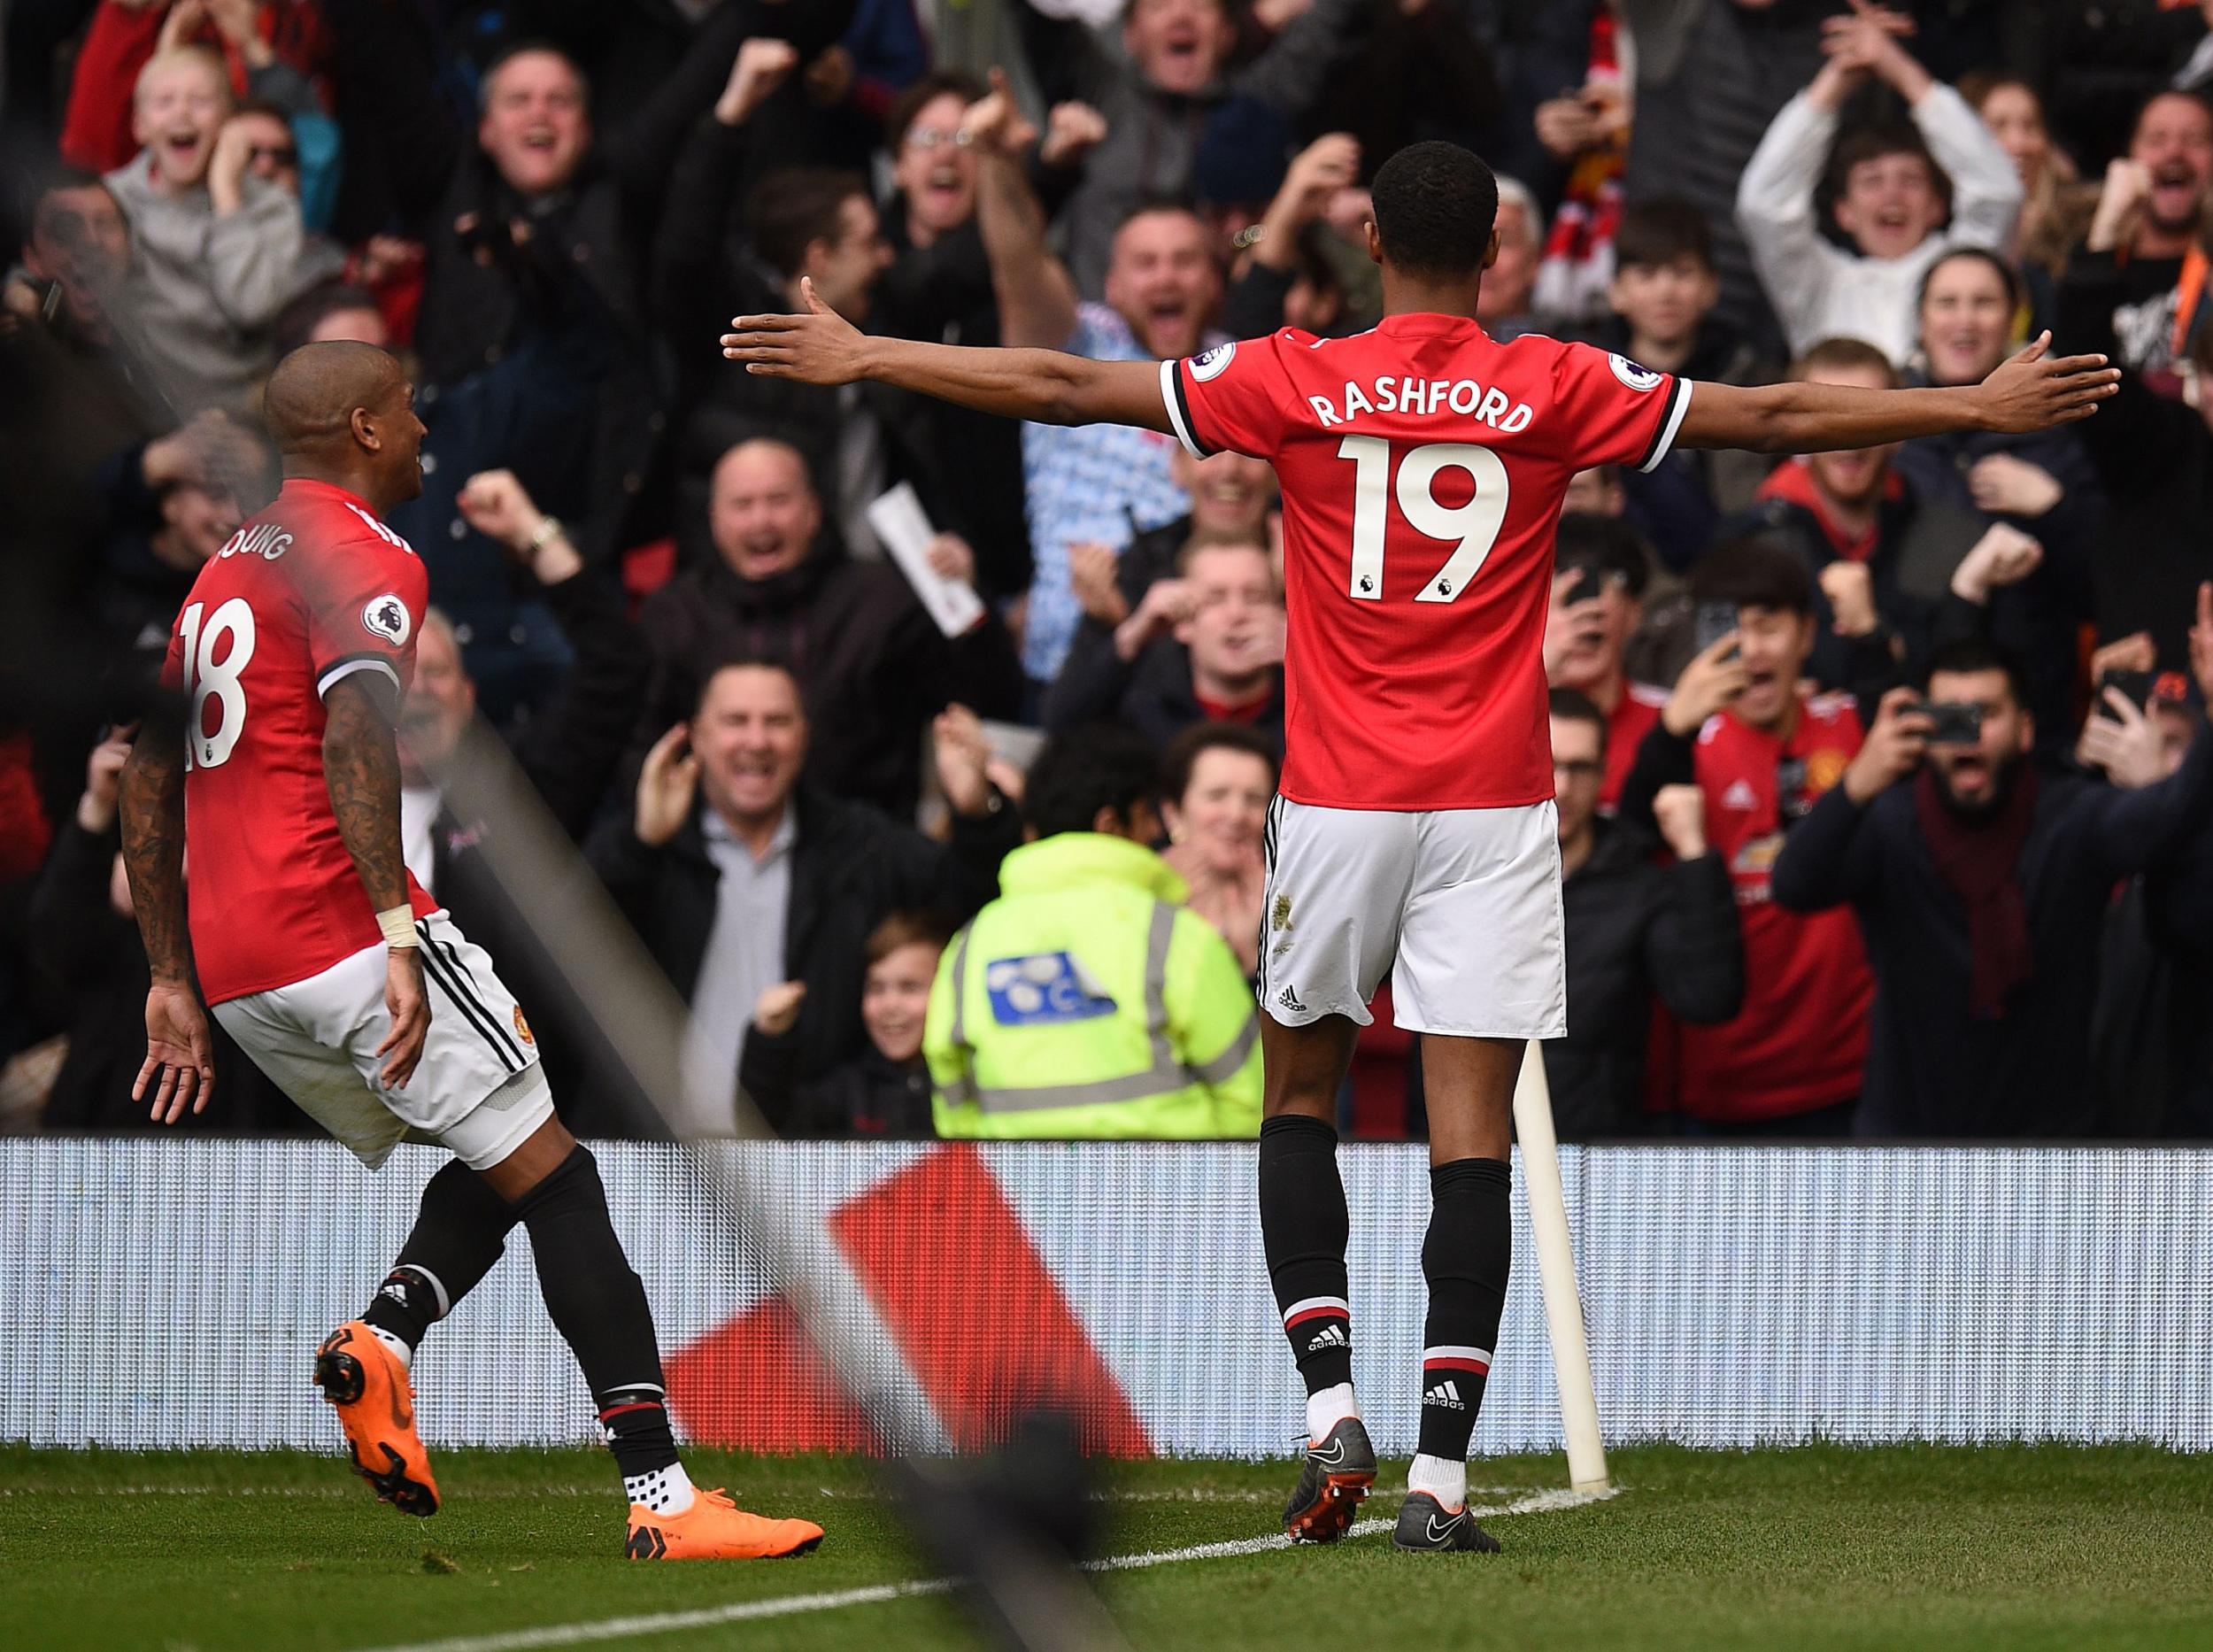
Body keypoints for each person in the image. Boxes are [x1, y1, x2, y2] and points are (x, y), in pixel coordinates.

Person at [721, 136, 2116, 1554]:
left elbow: (1065, 385)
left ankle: (1331, 1407)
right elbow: (1766, 414)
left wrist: (866, 352)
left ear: (1371, 238)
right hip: (1496, 806)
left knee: (1301, 1093)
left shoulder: (1296, 374)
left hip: (1337, 801)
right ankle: (1442, 1482)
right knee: (1474, 1140)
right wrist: (1973, 401)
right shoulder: (1560, 382)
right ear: (1499, 246)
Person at [117, 340, 821, 1561]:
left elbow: (144, 765)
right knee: (561, 1180)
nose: (424, 432)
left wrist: (171, 973)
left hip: (238, 968)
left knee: (511, 1147)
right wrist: (397, 931)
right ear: (362, 429)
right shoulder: (368, 552)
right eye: (405, 411)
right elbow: (356, 735)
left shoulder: (226, 568)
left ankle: (384, 1340)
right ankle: (664, 1498)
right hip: (340, 925)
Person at [1772, 640, 2213, 1136]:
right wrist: (1857, 781)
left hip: (2051, 1144)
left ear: (2025, 730)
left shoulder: (2071, 819)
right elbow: (1793, 885)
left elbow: (2167, 821)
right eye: (1950, 716)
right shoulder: (1889, 825)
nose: (1969, 735)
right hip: (1907, 1143)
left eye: (1985, 713)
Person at [588, 663, 1016, 1134]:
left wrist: (978, 812)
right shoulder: (653, 846)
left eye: (777, 721)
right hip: (648, 1150)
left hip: (805, 1154)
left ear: (804, 737)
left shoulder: (859, 846)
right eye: (736, 721)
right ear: (698, 737)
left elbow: (977, 908)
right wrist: (640, 844)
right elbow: (566, 947)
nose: (757, 741)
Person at [1619, 540, 1873, 1137]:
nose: (1751, 649)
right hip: (1718, 1086)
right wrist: (1672, 730)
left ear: (1807, 635)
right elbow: (1626, 845)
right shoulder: (1680, 751)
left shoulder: (1855, 731)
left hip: (1849, 1077)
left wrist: (1869, 635)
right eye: (1730, 629)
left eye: (1768, 626)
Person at [634, 436, 1019, 818]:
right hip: (713, 849)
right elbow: (642, 747)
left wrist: (968, 602)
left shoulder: (884, 602)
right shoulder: (674, 614)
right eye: (743, 504)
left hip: (870, 846)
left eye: (778, 500)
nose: (761, 520)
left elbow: (986, 700)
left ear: (813, 510)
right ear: (714, 519)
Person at [923, 723, 1262, 1139]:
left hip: (1015, 1193)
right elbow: (1250, 1100)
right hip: (1163, 1193)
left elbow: (950, 1091)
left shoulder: (971, 942)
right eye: (1144, 817)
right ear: (1110, 824)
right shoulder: (1174, 936)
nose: (1155, 834)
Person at [1893, 250, 2104, 757]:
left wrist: (2054, 507)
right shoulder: (1889, 431)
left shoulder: (2061, 428)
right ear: (1920, 323)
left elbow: (2107, 583)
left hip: (2040, 722)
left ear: (2015, 320)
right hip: (1917, 717)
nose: (1964, 320)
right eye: (1947, 303)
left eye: (1983, 303)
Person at [1734, 4, 2020, 365]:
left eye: (1911, 180)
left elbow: (1999, 194)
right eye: (1871, 181)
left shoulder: (1960, 272)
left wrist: (1902, 72)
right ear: (1844, 212)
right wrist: (1837, 79)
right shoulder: (1819, 285)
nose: (1892, 194)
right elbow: (1764, 206)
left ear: (1937, 205)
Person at [1545, 691, 1742, 1139]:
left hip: (1598, 1156)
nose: (1564, 786)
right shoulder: (1466, 872)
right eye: (1548, 764)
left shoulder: (1638, 884)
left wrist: (1693, 856)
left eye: (1580, 767)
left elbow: (1708, 998)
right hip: (1467, 1152)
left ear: (1603, 774)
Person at [102, 46, 337, 413]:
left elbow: (250, 307)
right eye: (165, 102)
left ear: (229, 122)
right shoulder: (111, 202)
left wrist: (228, 198)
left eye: (200, 101)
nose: (182, 112)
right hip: (136, 400)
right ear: (140, 125)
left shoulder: (270, 207)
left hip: (236, 407)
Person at [1045, 540, 1286, 753]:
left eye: (1256, 597)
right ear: (1182, 624)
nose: (1237, 614)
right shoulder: (1145, 709)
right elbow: (1062, 729)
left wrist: (1306, 659)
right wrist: (1131, 636)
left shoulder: (1308, 709)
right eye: (1215, 598)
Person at [743, 911, 951, 1139]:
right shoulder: (847, 1091)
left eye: (910, 987)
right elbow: (771, 1125)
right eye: (876, 988)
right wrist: (769, 1040)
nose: (889, 1005)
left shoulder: (968, 1083)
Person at [2071, 89, 2213, 384]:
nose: (2175, 152)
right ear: (2129, 157)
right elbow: (2073, 365)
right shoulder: (2081, 259)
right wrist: (2106, 228)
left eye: (2195, 140)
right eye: (2156, 139)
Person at [1542, 513, 1669, 813]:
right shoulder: (1488, 723)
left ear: (1634, 613)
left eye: (1598, 588)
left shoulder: (1670, 725)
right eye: (1567, 596)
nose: (1584, 612)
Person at [1160, 722, 1277, 979]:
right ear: (1173, 813)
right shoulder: (1141, 895)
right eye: (1217, 795)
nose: (1236, 815)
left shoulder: (1292, 904)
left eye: (1255, 799)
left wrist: (1260, 952)